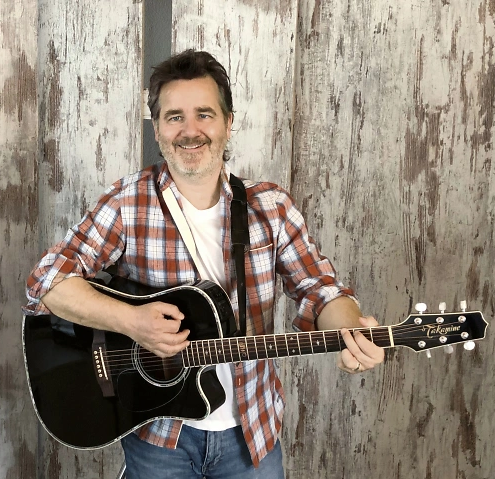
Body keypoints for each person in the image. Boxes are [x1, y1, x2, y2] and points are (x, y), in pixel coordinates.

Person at [24, 49, 385, 478]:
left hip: (252, 430)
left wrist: (349, 332)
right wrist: (131, 322)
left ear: (228, 123)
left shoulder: (271, 207)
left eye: (204, 115)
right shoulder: (127, 203)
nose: (190, 131)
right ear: (157, 128)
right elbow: (47, 280)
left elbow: (319, 290)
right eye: (175, 117)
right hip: (158, 436)